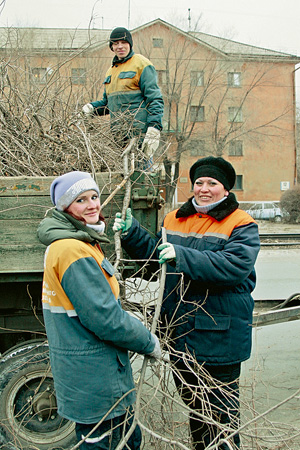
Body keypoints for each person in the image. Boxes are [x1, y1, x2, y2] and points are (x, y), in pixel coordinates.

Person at [113, 156, 260, 449]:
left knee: (220, 418)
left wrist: (182, 257)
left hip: (219, 336)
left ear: (226, 190)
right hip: (181, 334)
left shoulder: (242, 224)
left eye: (212, 184)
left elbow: (234, 267)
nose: (204, 189)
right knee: (197, 412)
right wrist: (132, 234)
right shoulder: (173, 218)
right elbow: (158, 262)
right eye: (199, 183)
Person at [37, 171, 161, 450]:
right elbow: (105, 319)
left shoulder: (80, 243)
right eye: (81, 200)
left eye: (94, 197)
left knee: (127, 439)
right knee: (114, 442)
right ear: (66, 208)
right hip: (95, 377)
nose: (92, 204)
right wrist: (147, 341)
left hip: (91, 373)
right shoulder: (72, 250)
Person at [82, 27, 164, 162]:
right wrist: (91, 108)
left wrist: (154, 128)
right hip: (118, 137)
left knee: (139, 177)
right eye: (115, 43)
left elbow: (155, 99)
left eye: (123, 42)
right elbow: (108, 105)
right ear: (112, 47)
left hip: (138, 135)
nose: (120, 46)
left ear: (130, 44)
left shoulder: (141, 64)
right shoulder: (111, 71)